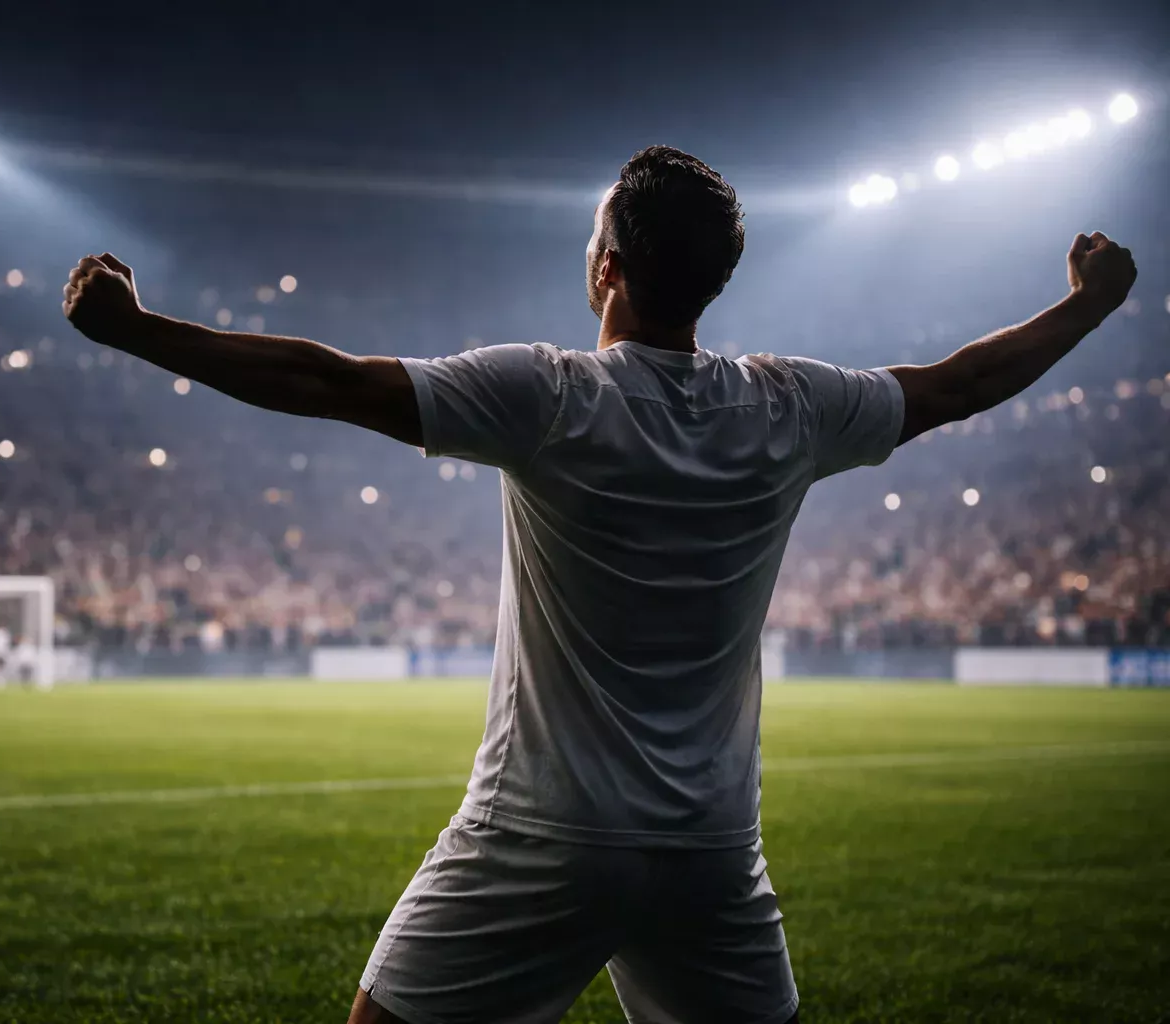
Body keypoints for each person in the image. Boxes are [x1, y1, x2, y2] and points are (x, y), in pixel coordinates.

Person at [62, 145, 1137, 1024]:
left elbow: (323, 380)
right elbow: (962, 383)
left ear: (608, 266)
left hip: (541, 834)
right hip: (711, 849)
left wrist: (137, 330)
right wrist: (1086, 306)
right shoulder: (792, 407)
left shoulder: (549, 393)